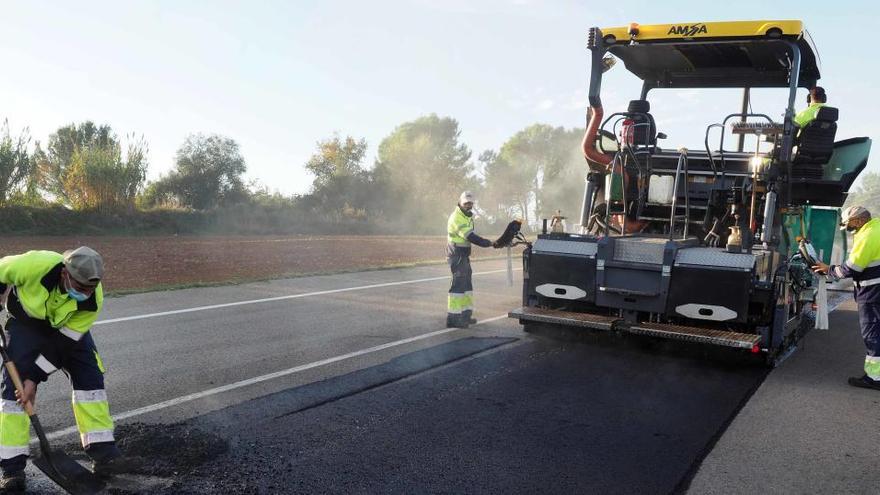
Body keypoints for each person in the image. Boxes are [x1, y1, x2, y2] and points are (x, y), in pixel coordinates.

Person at [0, 247, 128, 492]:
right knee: (13, 392)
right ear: (64, 273)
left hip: (64, 332)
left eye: (89, 288)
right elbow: (1, 270)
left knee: (90, 379)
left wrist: (34, 379)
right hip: (26, 326)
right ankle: (12, 470)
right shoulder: (34, 264)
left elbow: (64, 345)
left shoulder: (93, 299)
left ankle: (104, 455)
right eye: (79, 287)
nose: (84, 293)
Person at [812, 206, 880, 391]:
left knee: (872, 333)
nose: (848, 228)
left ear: (858, 220)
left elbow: (853, 268)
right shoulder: (876, 228)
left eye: (848, 224)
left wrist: (829, 270)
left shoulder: (868, 235)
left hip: (873, 292)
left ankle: (874, 378)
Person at [446, 191, 499, 328]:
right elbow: (470, 237)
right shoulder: (457, 217)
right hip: (456, 255)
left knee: (467, 286)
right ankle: (453, 319)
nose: (469, 206)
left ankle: (465, 316)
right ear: (460, 203)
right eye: (466, 203)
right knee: (458, 286)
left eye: (470, 203)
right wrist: (489, 243)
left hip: (464, 256)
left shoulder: (467, 216)